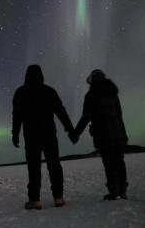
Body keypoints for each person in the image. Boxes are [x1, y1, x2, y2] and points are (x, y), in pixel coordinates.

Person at [12, 64, 77, 210]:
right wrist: (71, 130)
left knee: (34, 167)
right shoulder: (49, 91)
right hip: (49, 134)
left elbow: (17, 116)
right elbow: (61, 112)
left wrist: (15, 134)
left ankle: (35, 200)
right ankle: (58, 198)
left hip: (31, 136)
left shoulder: (20, 92)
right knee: (54, 165)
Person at [74, 69, 129, 200]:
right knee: (119, 161)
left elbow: (86, 117)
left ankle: (114, 191)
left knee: (109, 163)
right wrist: (124, 134)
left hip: (103, 135)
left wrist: (76, 133)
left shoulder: (91, 95)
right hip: (118, 134)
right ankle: (122, 191)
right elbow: (119, 116)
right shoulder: (113, 94)